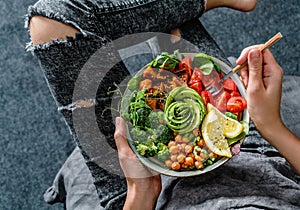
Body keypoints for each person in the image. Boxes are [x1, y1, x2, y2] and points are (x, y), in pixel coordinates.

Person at [26, 0, 290, 209]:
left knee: (50, 22)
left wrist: (142, 192)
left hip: (144, 195)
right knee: (172, 39)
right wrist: (271, 125)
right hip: (246, 147)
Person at [114, 47, 300, 209]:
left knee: (88, 33)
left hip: (160, 184)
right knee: (183, 39)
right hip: (251, 146)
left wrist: (141, 192)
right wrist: (271, 127)